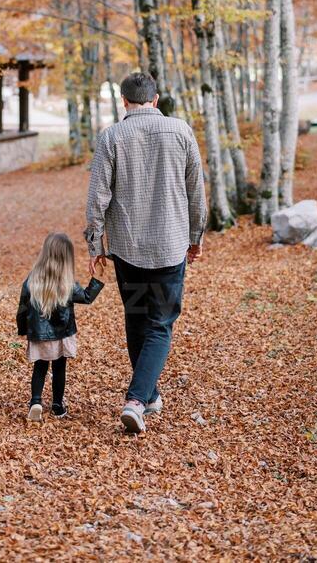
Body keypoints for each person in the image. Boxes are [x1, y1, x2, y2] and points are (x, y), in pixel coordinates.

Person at [85, 71, 206, 434]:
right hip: (170, 247)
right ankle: (137, 399)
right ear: (156, 100)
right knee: (160, 323)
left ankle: (149, 396)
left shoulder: (111, 137)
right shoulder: (181, 130)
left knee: (138, 317)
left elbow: (97, 198)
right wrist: (196, 236)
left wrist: (96, 244)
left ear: (124, 101)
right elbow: (196, 190)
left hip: (128, 250)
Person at [16, 232, 104, 422]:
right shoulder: (67, 284)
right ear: (67, 258)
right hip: (62, 334)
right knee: (59, 368)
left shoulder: (32, 281)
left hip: (39, 335)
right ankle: (57, 405)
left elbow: (22, 308)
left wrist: (24, 329)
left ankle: (36, 402)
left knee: (40, 368)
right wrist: (96, 280)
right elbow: (86, 297)